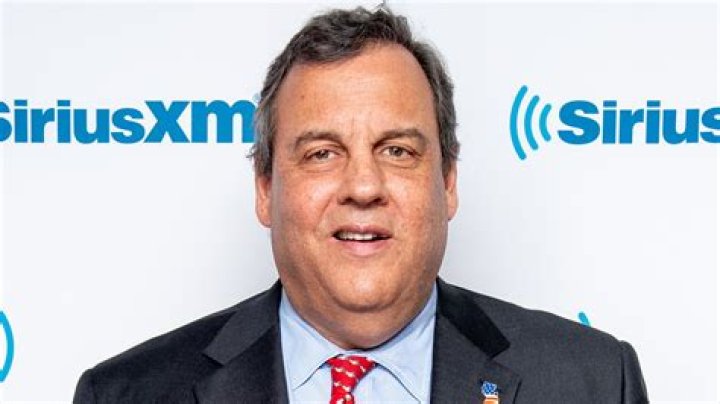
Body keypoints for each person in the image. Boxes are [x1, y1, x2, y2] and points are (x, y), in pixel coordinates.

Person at [73, 6, 648, 403]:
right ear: (265, 188)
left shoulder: (592, 383)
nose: (364, 186)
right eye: (322, 154)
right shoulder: (129, 394)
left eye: (397, 150)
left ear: (448, 181)